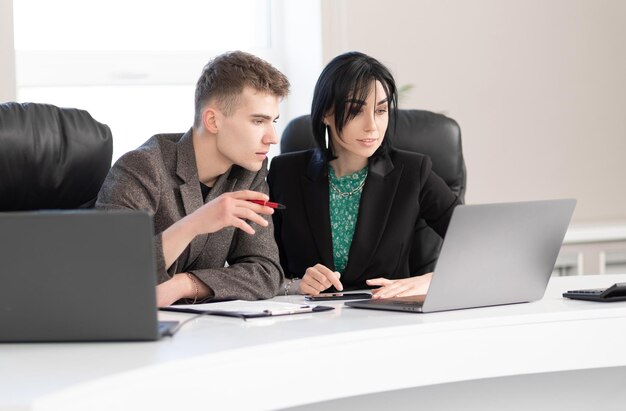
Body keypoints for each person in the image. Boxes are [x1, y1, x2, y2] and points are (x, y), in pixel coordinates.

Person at [97, 51, 290, 306]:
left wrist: (186, 284)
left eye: (273, 121)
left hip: (202, 332)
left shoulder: (249, 172)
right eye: (258, 121)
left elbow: (266, 272)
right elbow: (109, 270)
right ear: (212, 120)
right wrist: (194, 224)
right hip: (129, 329)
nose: (272, 137)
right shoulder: (142, 167)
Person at [268, 51, 461, 298]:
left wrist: (430, 281)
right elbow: (261, 264)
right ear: (326, 113)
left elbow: (477, 242)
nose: (372, 125)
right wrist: (294, 284)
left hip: (386, 318)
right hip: (309, 318)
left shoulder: (413, 172)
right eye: (356, 111)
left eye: (381, 111)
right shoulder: (286, 173)